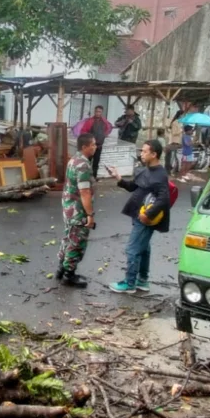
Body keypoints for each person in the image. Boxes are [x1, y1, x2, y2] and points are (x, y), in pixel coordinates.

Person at [107, 140, 170, 294]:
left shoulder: (160, 175)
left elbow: (164, 199)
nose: (141, 154)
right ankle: (142, 280)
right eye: (141, 151)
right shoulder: (144, 170)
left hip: (146, 218)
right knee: (144, 249)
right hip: (137, 214)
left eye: (145, 151)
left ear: (154, 154)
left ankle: (129, 284)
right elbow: (133, 187)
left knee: (132, 249)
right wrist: (118, 178)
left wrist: (148, 215)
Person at [56, 133, 99, 288]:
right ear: (84, 147)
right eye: (93, 144)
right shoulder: (83, 165)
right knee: (77, 241)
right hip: (77, 210)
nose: (95, 147)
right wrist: (89, 215)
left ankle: (61, 269)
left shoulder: (74, 159)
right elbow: (85, 192)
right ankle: (69, 275)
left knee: (68, 237)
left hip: (68, 207)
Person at [73, 106, 112, 178]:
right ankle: (84, 176)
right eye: (96, 111)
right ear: (94, 112)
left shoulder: (104, 121)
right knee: (87, 161)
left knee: (96, 162)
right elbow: (83, 131)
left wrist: (104, 135)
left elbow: (108, 128)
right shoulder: (90, 121)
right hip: (90, 146)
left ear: (101, 112)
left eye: (99, 112)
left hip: (99, 146)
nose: (98, 113)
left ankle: (94, 177)